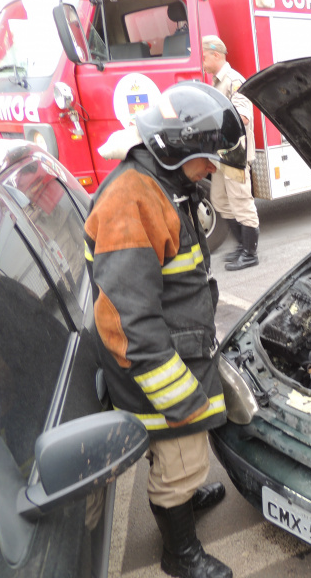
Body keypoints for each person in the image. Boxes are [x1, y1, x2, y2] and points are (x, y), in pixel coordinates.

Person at [85, 81, 247, 578]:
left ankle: (183, 496)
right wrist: (179, 400)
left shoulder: (160, 185)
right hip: (158, 369)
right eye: (207, 157)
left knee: (183, 455)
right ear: (176, 149)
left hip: (178, 351)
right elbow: (126, 325)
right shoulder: (130, 202)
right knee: (178, 456)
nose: (212, 167)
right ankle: (180, 553)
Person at [201, 35, 260, 271]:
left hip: (235, 155)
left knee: (241, 202)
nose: (202, 61)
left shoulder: (234, 81)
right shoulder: (216, 83)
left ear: (216, 54)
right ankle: (241, 246)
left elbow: (243, 116)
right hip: (221, 155)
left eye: (204, 56)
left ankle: (250, 253)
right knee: (220, 200)